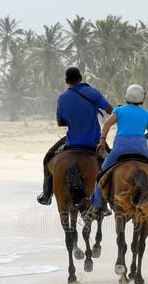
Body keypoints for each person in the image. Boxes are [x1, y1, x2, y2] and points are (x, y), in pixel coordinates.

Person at [90, 83, 148, 220]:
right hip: (141, 149)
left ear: (127, 96)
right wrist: (144, 137)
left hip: (120, 149)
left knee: (101, 174)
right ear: (141, 98)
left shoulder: (119, 110)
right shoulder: (146, 113)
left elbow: (107, 124)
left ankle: (95, 207)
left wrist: (102, 140)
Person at [37, 67, 113, 205]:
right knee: (112, 162)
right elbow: (110, 110)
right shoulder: (93, 93)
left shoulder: (62, 98)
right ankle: (108, 200)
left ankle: (46, 194)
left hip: (72, 142)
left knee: (48, 157)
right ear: (81, 77)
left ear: (67, 81)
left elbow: (60, 123)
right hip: (94, 141)